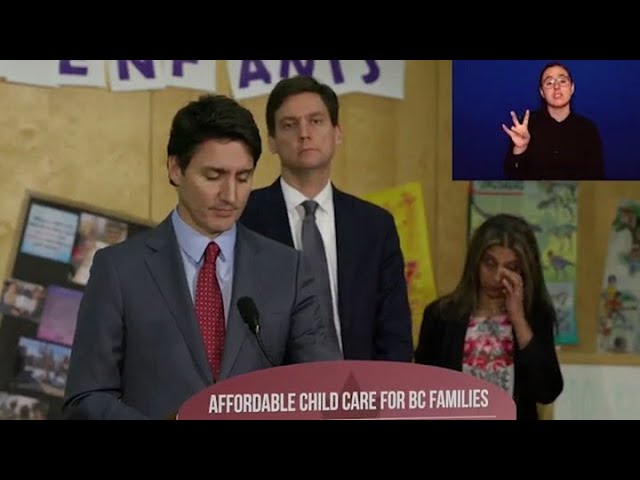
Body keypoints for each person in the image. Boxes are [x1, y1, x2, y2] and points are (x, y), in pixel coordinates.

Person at [63, 94, 343, 420]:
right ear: (176, 169)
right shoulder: (119, 269)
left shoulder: (288, 270)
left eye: (243, 177)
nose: (231, 195)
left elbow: (326, 389)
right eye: (213, 176)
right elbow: (86, 397)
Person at [240, 75, 413, 362]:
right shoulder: (245, 216)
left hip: (360, 385)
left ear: (337, 133)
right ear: (271, 141)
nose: (304, 133)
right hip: (274, 385)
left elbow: (395, 336)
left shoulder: (374, 226)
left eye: (316, 121)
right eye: (289, 125)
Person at [414, 213, 563, 420]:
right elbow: (422, 394)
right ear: (475, 262)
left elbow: (547, 391)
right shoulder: (441, 316)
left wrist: (518, 318)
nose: (497, 276)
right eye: (490, 263)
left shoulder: (534, 316)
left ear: (524, 271)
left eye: (511, 267)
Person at [502, 61, 605, 180]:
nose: (556, 87)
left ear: (572, 88)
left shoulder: (588, 129)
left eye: (562, 81)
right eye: (549, 83)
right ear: (542, 92)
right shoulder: (527, 126)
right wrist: (520, 149)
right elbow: (512, 176)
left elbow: (596, 178)